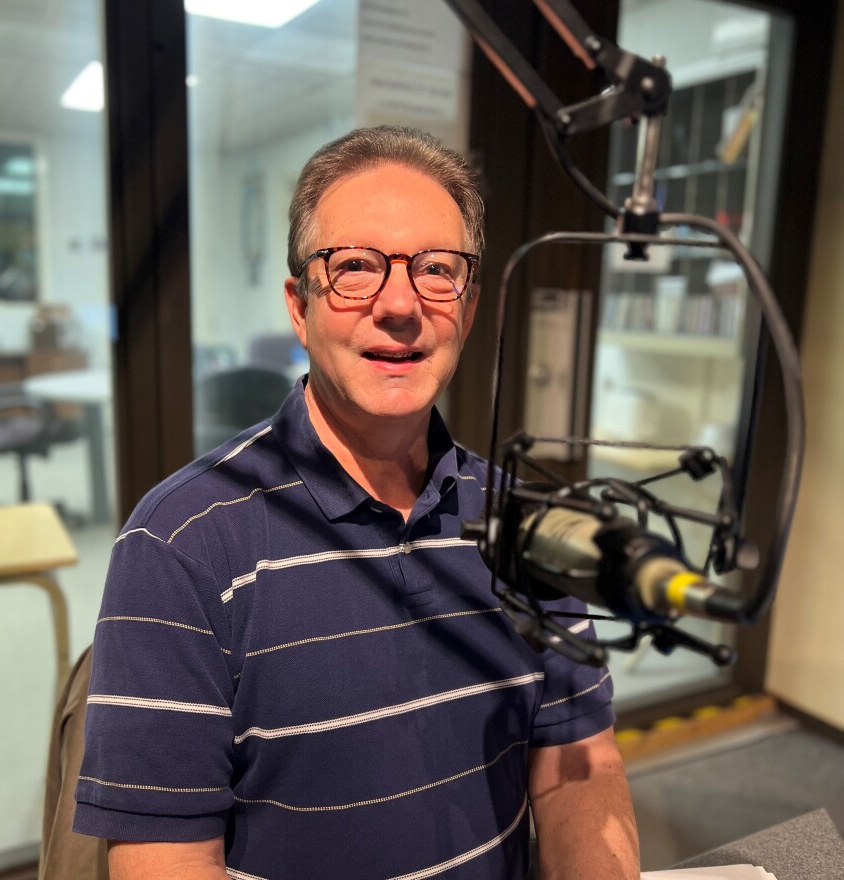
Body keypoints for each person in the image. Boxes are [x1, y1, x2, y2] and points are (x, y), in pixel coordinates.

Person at [74, 125, 639, 880]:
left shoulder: (531, 521)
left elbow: (583, 763)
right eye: (355, 268)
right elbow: (165, 863)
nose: (400, 304)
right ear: (300, 306)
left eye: (437, 270)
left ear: (467, 311)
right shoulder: (180, 544)